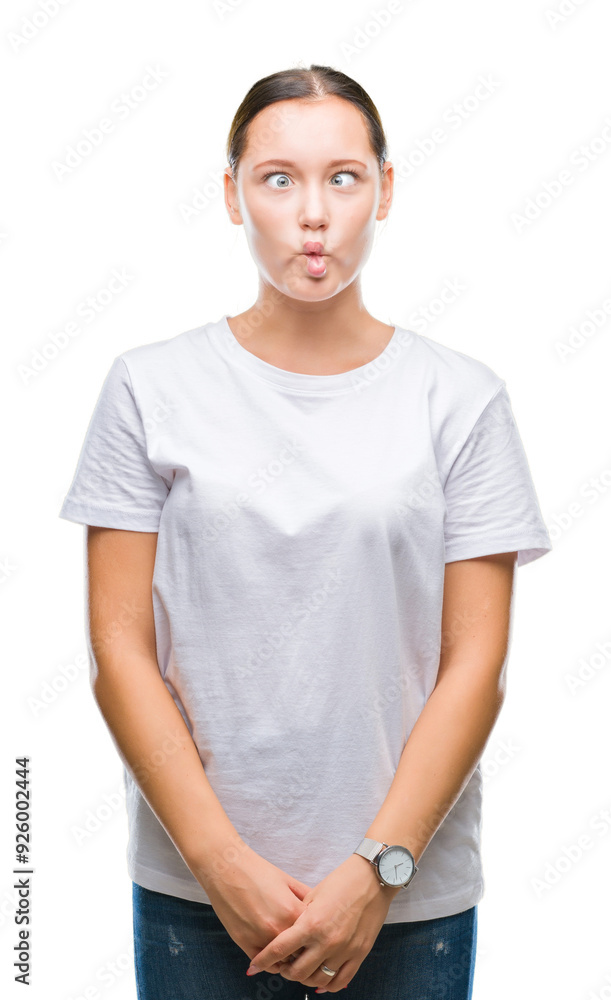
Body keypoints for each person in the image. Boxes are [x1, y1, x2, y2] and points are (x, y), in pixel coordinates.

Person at [58, 64, 552, 1000]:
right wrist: (218, 863)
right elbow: (118, 649)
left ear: (385, 190)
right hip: (195, 899)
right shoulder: (148, 387)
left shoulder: (460, 399)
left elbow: (475, 665)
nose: (313, 214)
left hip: (408, 903)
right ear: (232, 195)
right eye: (278, 179)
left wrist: (377, 870)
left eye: (343, 178)